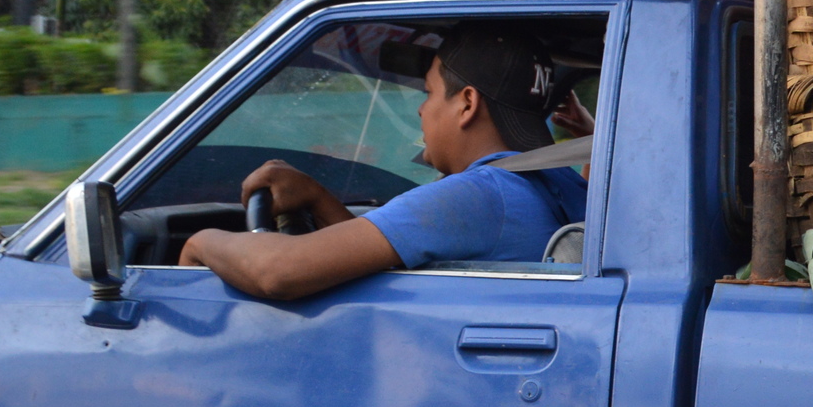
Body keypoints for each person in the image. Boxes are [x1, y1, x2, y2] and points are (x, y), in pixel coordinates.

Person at [180, 23, 591, 301]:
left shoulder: (478, 196)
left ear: (467, 103)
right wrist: (319, 199)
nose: (421, 111)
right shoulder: (561, 183)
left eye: (428, 93)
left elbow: (278, 271)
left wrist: (201, 242)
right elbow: (385, 261)